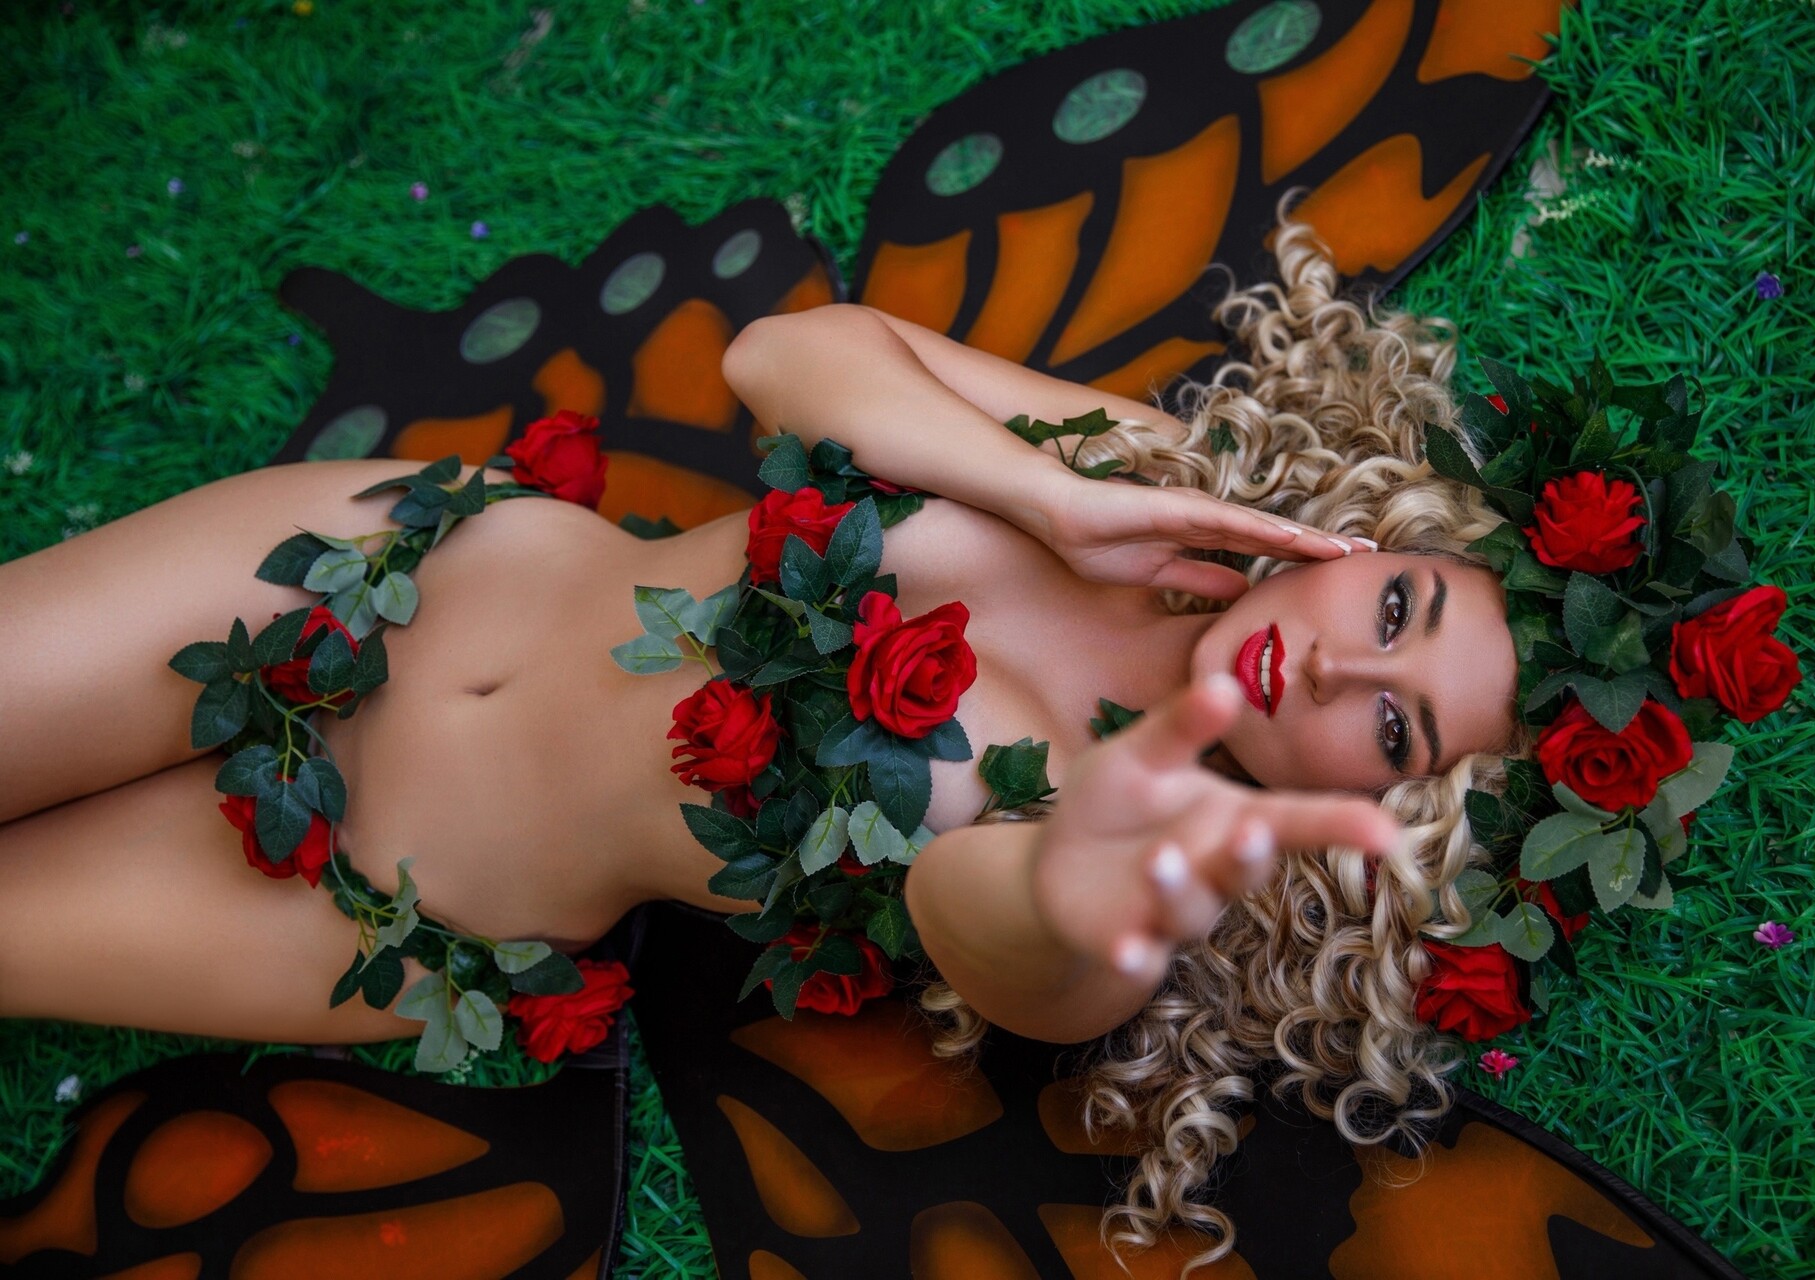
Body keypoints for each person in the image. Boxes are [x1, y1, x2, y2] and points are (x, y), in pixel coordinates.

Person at [0, 208, 1524, 1258]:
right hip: (374, 574)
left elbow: (987, 927)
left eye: (1394, 725)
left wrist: (1078, 888)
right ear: (1363, 549)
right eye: (1394, 610)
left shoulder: (1133, 878)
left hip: (384, 902)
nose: (1337, 669)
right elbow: (788, 356)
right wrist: (1047, 493)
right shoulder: (1152, 474)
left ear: (1386, 814)